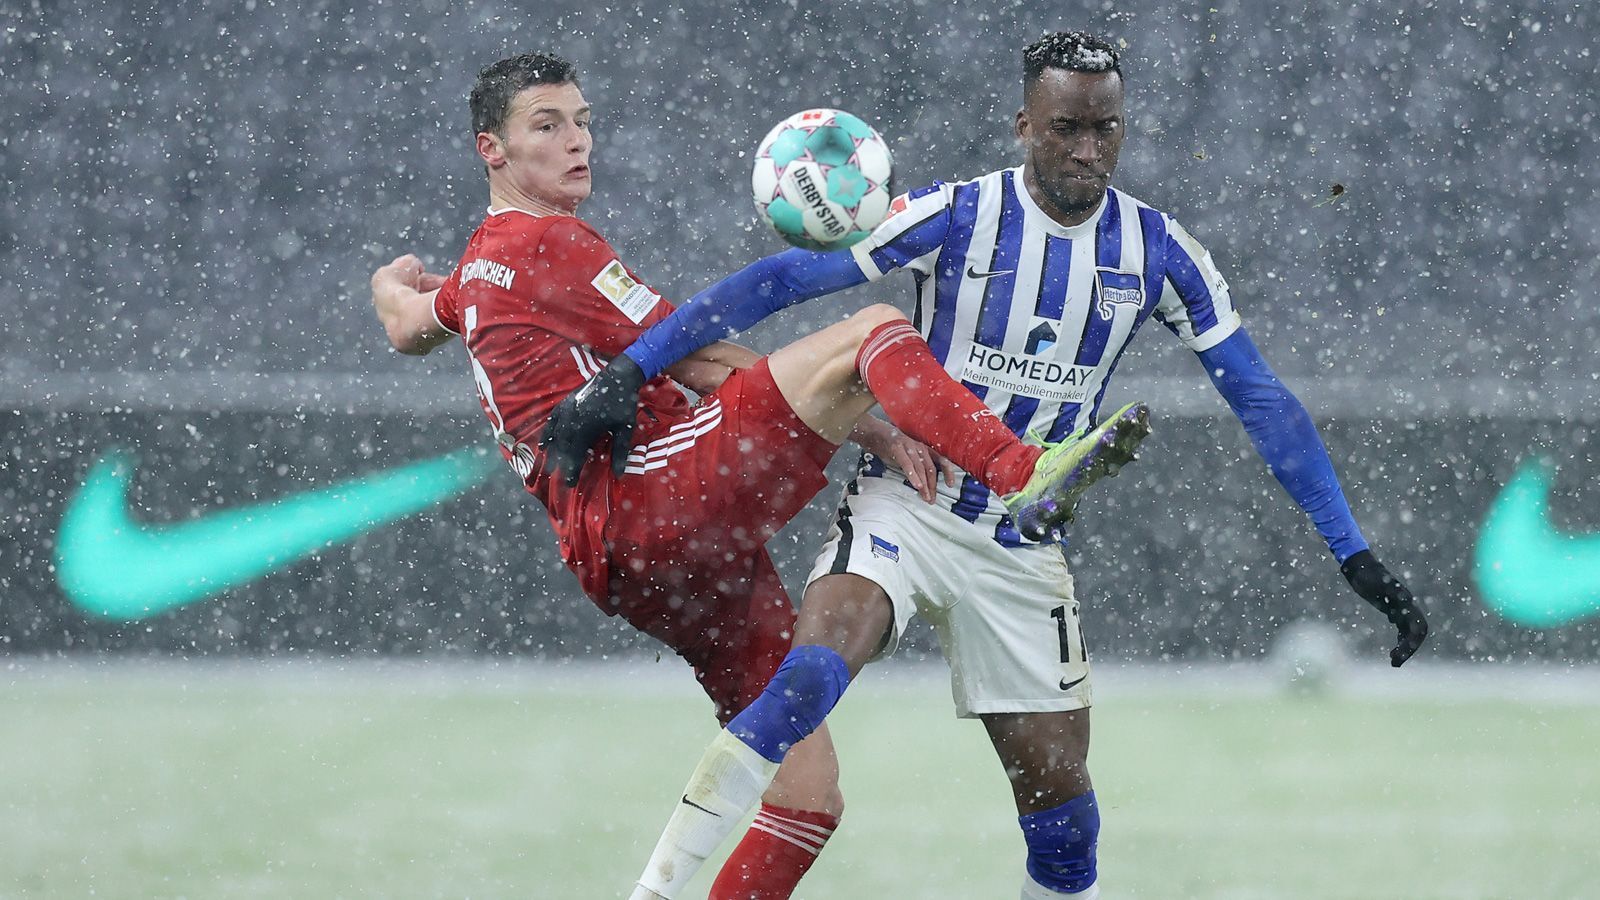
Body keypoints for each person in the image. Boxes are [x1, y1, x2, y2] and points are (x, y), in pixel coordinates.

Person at [541, 32, 1431, 899]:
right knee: (806, 680)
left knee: (1065, 830)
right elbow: (781, 281)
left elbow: (1265, 403)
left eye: (1105, 129)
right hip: (908, 507)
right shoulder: (958, 214)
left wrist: (1352, 552)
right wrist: (632, 367)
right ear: (1024, 125)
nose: (1088, 150)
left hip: (1018, 546)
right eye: (1066, 129)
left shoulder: (1159, 253)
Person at [369, 51, 1148, 900]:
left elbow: (411, 324)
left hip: (622, 561)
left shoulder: (487, 264)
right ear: (493, 149)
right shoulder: (548, 243)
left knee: (806, 794)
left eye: (582, 120)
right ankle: (1021, 469)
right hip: (661, 497)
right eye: (546, 127)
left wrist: (390, 285)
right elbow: (699, 356)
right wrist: (872, 424)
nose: (576, 142)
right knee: (872, 330)